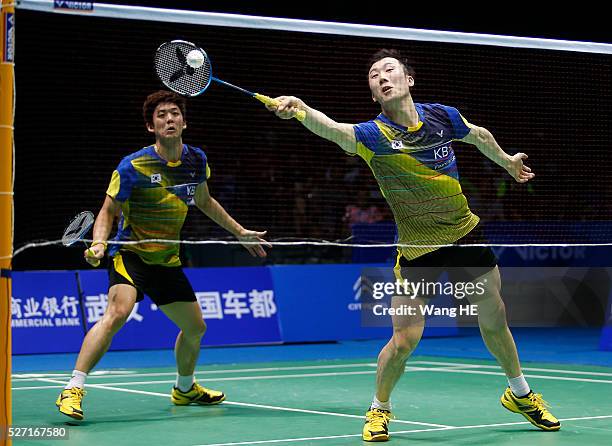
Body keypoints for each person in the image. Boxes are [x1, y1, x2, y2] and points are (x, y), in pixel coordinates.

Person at [267, 49, 559, 441]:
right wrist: (301, 110)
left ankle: (520, 393)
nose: (382, 77)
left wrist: (506, 161)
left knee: (494, 317)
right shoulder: (373, 136)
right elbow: (334, 129)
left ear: (409, 80)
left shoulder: (442, 116)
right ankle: (379, 408)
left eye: (390, 70)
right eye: (374, 75)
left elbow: (477, 135)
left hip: (465, 233)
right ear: (373, 94)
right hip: (418, 247)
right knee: (405, 339)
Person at [56, 90, 270, 420]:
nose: (169, 119)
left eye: (174, 114)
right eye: (161, 116)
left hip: (167, 260)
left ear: (184, 122)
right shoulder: (133, 166)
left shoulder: (196, 160)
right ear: (151, 126)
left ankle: (184, 389)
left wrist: (239, 232)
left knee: (196, 329)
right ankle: (73, 388)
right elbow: (107, 210)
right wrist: (99, 243)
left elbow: (205, 201)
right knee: (118, 312)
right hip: (131, 255)